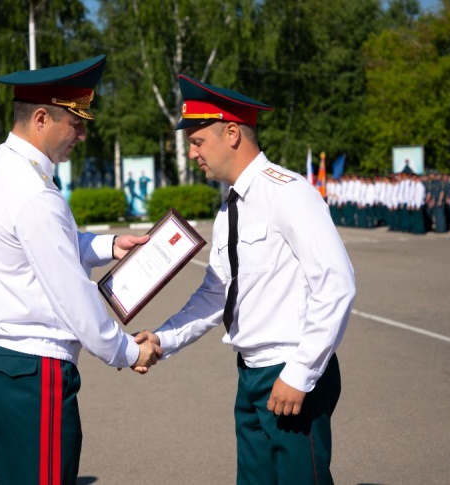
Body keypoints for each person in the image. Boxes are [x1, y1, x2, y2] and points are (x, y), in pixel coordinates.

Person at [134, 75, 356, 484]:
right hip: (251, 373)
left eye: (198, 140)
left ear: (232, 133)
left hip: (290, 375)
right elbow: (215, 295)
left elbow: (337, 284)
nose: (192, 151)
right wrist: (162, 339)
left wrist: (300, 372)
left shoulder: (288, 193)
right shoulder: (229, 210)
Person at [0, 55, 162, 484]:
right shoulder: (34, 192)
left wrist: (109, 245)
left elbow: (32, 248)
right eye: (75, 123)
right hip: (33, 375)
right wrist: (129, 352)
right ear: (40, 118)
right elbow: (76, 300)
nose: (83, 134)